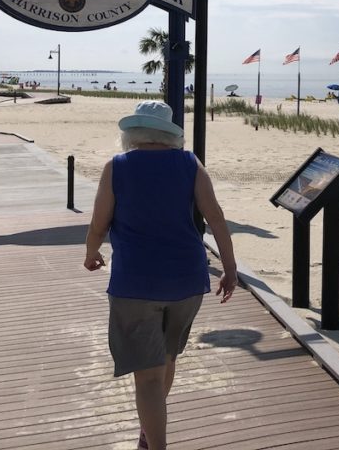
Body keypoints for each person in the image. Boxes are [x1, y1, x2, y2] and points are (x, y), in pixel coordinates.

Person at [84, 101, 237, 450]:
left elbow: (98, 224)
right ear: (169, 133)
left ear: (132, 132)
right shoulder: (189, 163)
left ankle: (155, 441)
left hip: (135, 284)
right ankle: (149, 429)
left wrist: (92, 253)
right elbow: (215, 217)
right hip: (186, 280)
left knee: (148, 378)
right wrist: (229, 269)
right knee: (166, 358)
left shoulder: (116, 167)